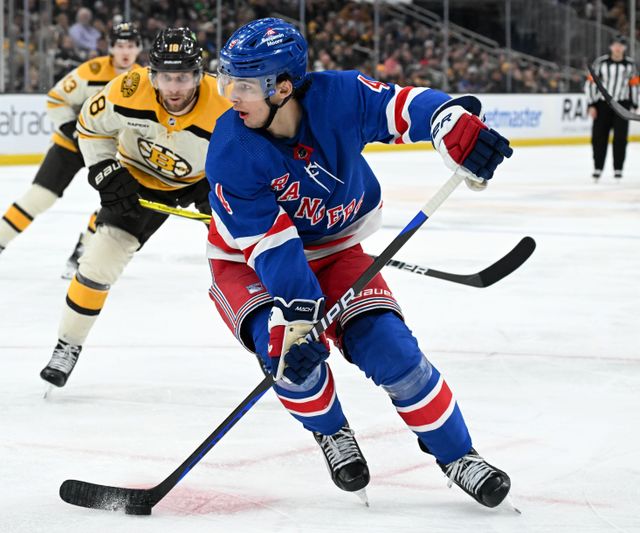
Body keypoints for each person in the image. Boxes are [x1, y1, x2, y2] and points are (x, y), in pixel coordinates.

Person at [204, 18, 514, 508]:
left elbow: (405, 107)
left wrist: (451, 124)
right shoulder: (231, 150)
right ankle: (331, 431)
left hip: (335, 247)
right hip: (250, 263)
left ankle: (458, 455)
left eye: (244, 85)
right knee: (286, 353)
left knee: (393, 351)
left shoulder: (340, 96)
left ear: (283, 87)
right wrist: (300, 319)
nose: (231, 96)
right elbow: (272, 248)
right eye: (228, 82)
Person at [39, 27, 230, 388]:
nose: (175, 88)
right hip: (136, 177)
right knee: (96, 265)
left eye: (184, 77)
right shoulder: (128, 88)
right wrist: (104, 170)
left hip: (202, 179)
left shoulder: (224, 101)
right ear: (152, 74)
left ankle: (281, 335)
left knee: (245, 250)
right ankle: (68, 345)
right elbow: (90, 126)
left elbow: (255, 148)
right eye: (166, 77)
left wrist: (228, 183)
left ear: (200, 74)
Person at [0, 23, 142, 278]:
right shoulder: (92, 70)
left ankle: (82, 251)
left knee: (115, 200)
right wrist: (76, 133)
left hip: (108, 152)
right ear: (110, 48)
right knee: (39, 197)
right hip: (71, 145)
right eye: (120, 46)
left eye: (130, 46)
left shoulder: (144, 79)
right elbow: (56, 98)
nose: (125, 51)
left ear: (139, 48)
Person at [586, 35, 638, 181]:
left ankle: (618, 169)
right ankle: (598, 167)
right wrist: (591, 104)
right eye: (615, 44)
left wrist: (634, 105)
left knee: (621, 138)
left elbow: (634, 85)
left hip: (622, 104)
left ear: (624, 48)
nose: (617, 47)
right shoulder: (601, 62)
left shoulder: (630, 64)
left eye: (621, 45)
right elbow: (591, 83)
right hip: (602, 105)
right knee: (599, 137)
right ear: (610, 46)